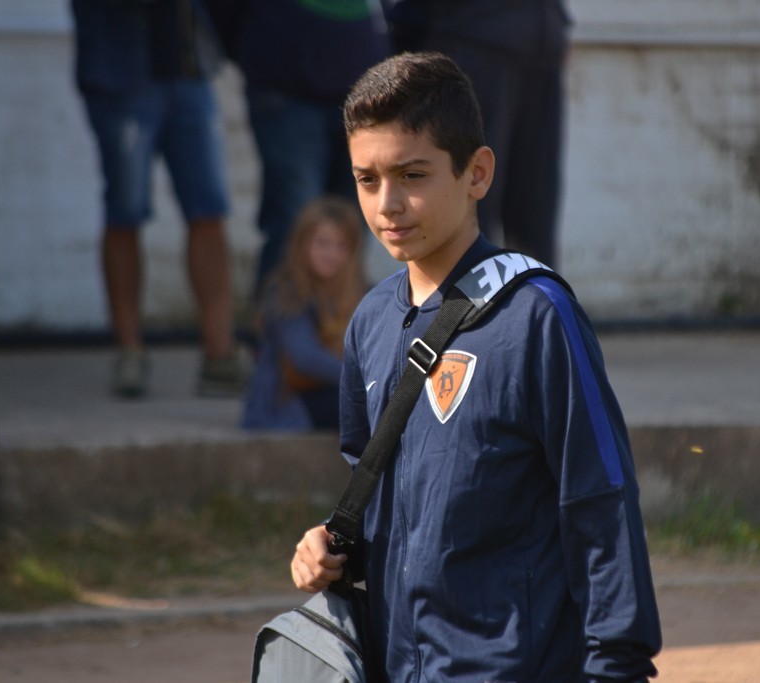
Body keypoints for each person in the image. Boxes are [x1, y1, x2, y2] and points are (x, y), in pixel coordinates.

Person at [290, 52, 662, 681]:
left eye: (412, 174)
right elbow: (378, 491)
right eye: (366, 179)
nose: (387, 204)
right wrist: (329, 541)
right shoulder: (370, 320)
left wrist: (616, 667)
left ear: (477, 173)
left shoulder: (536, 316)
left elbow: (598, 501)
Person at [71, 0, 252, 398]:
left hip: (189, 68)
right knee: (125, 211)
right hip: (119, 70)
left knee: (209, 208)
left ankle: (219, 354)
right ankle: (130, 352)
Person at [204, 0, 389, 299]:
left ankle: (341, 324)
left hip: (367, 92)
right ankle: (281, 325)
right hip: (285, 85)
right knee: (296, 223)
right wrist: (261, 44)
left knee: (353, 224)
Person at [383, 0, 570, 266]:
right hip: (471, 39)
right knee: (473, 194)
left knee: (536, 205)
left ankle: (535, 290)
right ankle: (463, 291)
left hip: (540, 44)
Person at [240, 195, 366, 431]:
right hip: (283, 408)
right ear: (302, 244)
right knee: (367, 405)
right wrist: (366, 380)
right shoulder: (285, 293)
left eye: (341, 246)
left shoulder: (360, 293)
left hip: (330, 390)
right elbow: (306, 358)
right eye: (322, 243)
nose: (331, 254)